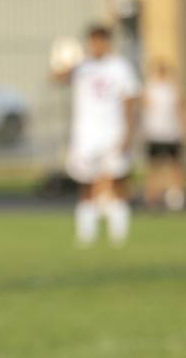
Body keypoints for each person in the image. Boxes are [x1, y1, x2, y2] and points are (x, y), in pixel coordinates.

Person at [53, 24, 140, 247]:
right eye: (93, 41)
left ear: (107, 42)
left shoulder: (120, 66)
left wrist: (129, 134)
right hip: (86, 136)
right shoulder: (82, 65)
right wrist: (64, 60)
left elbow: (130, 101)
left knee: (116, 183)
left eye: (101, 41)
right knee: (87, 185)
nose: (97, 45)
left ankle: (118, 236)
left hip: (113, 132)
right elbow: (58, 78)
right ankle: (86, 235)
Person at [142, 58, 185, 211]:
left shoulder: (172, 88)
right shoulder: (150, 87)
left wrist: (182, 129)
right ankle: (151, 197)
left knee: (175, 166)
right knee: (154, 167)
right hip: (155, 133)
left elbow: (179, 109)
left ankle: (176, 196)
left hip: (171, 133)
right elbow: (144, 109)